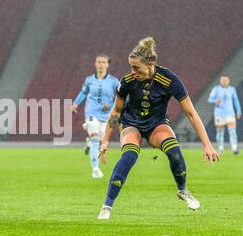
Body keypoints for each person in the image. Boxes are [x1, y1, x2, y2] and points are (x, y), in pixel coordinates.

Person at [97, 37, 219, 220]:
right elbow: (116, 111)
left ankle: (182, 190)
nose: (133, 71)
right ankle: (107, 205)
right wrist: (105, 140)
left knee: (174, 152)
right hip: (131, 123)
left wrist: (207, 144)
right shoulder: (127, 81)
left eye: (136, 67)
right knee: (129, 156)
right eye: (131, 67)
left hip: (156, 124)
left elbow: (191, 113)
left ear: (150, 64)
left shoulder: (169, 80)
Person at [71, 54, 119, 178]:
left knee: (99, 141)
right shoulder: (89, 80)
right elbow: (84, 92)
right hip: (92, 112)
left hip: (106, 116)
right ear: (95, 64)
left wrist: (112, 105)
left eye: (103, 62)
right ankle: (95, 169)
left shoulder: (114, 81)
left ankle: (88, 141)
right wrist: (75, 104)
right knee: (94, 138)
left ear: (107, 64)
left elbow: (120, 98)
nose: (101, 64)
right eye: (99, 62)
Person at [208, 75, 241, 155]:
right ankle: (221, 149)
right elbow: (210, 99)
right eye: (223, 80)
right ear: (220, 81)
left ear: (228, 81)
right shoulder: (216, 89)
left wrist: (239, 111)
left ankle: (234, 148)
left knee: (232, 131)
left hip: (230, 113)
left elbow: (235, 101)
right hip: (219, 114)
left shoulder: (232, 89)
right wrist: (216, 100)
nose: (224, 81)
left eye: (226, 80)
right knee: (220, 132)